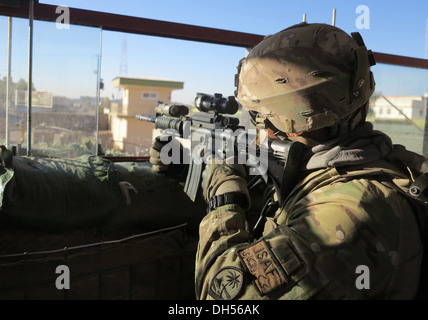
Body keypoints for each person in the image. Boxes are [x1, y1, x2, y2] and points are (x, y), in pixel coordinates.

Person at [151, 22, 428, 299]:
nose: (257, 127)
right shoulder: (367, 160)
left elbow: (219, 295)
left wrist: (224, 194)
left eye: (257, 117)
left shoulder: (345, 213)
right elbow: (283, 207)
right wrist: (190, 166)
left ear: (289, 123)